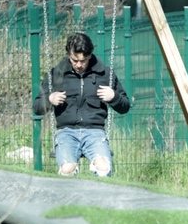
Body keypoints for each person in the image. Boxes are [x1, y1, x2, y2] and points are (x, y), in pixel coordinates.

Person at [32, 32, 130, 177]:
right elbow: (36, 107)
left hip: (95, 132)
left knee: (104, 169)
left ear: (90, 55)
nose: (79, 65)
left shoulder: (104, 74)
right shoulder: (56, 75)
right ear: (68, 54)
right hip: (66, 132)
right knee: (67, 170)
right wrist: (49, 100)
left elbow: (125, 106)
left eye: (83, 61)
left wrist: (113, 97)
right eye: (74, 60)